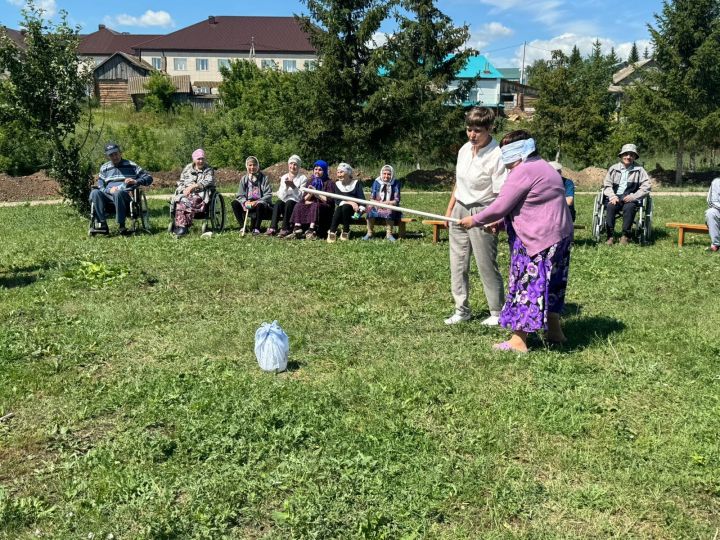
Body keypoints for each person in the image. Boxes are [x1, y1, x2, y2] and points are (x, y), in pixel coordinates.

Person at [459, 130, 574, 353]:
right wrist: (501, 224)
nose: (505, 161)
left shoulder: (524, 170)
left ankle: (519, 340)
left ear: (519, 152)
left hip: (538, 240)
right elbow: (528, 204)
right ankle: (554, 331)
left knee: (527, 286)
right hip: (560, 236)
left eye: (507, 154)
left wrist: (475, 219)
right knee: (552, 285)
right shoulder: (544, 168)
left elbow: (502, 204)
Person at [444, 106, 506, 326]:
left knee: (485, 263)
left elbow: (501, 194)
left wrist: (495, 219)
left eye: (477, 130)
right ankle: (461, 309)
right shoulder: (463, 149)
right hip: (460, 207)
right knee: (458, 262)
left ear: (489, 129)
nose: (472, 134)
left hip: (484, 211)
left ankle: (497, 312)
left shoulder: (497, 154)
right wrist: (450, 208)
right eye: (469, 129)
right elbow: (458, 183)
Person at [89, 142, 153, 235]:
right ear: (107, 157)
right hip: (108, 197)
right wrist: (109, 190)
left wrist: (136, 181)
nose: (114, 157)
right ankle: (102, 225)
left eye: (116, 154)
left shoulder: (131, 165)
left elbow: (149, 178)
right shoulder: (104, 168)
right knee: (95, 192)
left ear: (120, 153)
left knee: (118, 193)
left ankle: (121, 226)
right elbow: (100, 186)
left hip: (125, 196)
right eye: (111, 155)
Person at [602, 144, 651, 245]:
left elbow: (647, 186)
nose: (628, 157)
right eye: (626, 154)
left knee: (630, 207)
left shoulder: (639, 170)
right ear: (621, 156)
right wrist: (612, 196)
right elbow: (607, 184)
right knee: (610, 207)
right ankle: (610, 236)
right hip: (615, 196)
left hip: (631, 197)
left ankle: (625, 236)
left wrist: (634, 196)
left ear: (634, 157)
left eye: (631, 155)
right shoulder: (613, 168)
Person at [171, 149, 215, 237]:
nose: (201, 161)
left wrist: (193, 186)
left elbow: (209, 181)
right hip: (186, 192)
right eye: (198, 159)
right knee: (180, 200)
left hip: (201, 194)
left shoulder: (208, 169)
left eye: (202, 159)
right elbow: (182, 180)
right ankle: (181, 225)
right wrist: (183, 189)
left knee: (188, 201)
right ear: (194, 160)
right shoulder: (187, 168)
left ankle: (183, 227)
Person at [288, 160, 333, 240]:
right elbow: (303, 199)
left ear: (325, 171)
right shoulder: (310, 181)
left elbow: (329, 200)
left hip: (325, 207)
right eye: (315, 169)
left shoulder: (329, 183)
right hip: (311, 204)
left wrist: (316, 194)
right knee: (299, 204)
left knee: (315, 205)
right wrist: (310, 193)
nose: (317, 172)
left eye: (320, 170)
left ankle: (312, 230)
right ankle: (297, 228)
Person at [231, 156, 272, 235]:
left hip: (260, 204)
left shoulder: (264, 178)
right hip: (248, 204)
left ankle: (257, 228)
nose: (252, 167)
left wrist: (257, 202)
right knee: (234, 203)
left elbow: (268, 194)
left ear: (258, 166)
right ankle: (243, 226)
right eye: (250, 165)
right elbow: (240, 195)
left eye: (254, 165)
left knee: (260, 205)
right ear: (247, 166)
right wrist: (245, 202)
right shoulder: (244, 179)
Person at [268, 155, 307, 237]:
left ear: (299, 166)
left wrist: (293, 187)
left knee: (289, 202)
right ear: (288, 165)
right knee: (278, 203)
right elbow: (281, 196)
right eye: (291, 164)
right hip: (285, 203)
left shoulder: (303, 178)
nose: (292, 166)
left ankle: (285, 228)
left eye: (295, 164)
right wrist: (286, 187)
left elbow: (301, 197)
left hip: (295, 205)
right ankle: (273, 227)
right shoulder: (284, 177)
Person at [327, 163, 365, 243]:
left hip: (354, 210)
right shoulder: (337, 184)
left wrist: (359, 211)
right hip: (342, 208)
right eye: (338, 172)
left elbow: (362, 200)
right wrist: (351, 202)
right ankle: (336, 231)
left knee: (344, 207)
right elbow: (337, 200)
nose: (339, 175)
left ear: (348, 173)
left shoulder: (356, 183)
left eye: (341, 172)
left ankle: (341, 230)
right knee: (341, 207)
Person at [364, 164, 402, 242]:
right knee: (369, 208)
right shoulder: (376, 182)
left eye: (388, 174)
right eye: (384, 174)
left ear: (392, 175)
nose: (386, 176)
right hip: (378, 204)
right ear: (381, 173)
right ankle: (370, 233)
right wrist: (378, 203)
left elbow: (396, 199)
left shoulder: (396, 183)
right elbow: (372, 198)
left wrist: (388, 202)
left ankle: (389, 234)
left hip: (390, 204)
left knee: (389, 209)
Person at [706, 177, 720, 252]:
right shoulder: (717, 182)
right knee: (711, 212)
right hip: (719, 212)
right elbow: (712, 202)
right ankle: (716, 244)